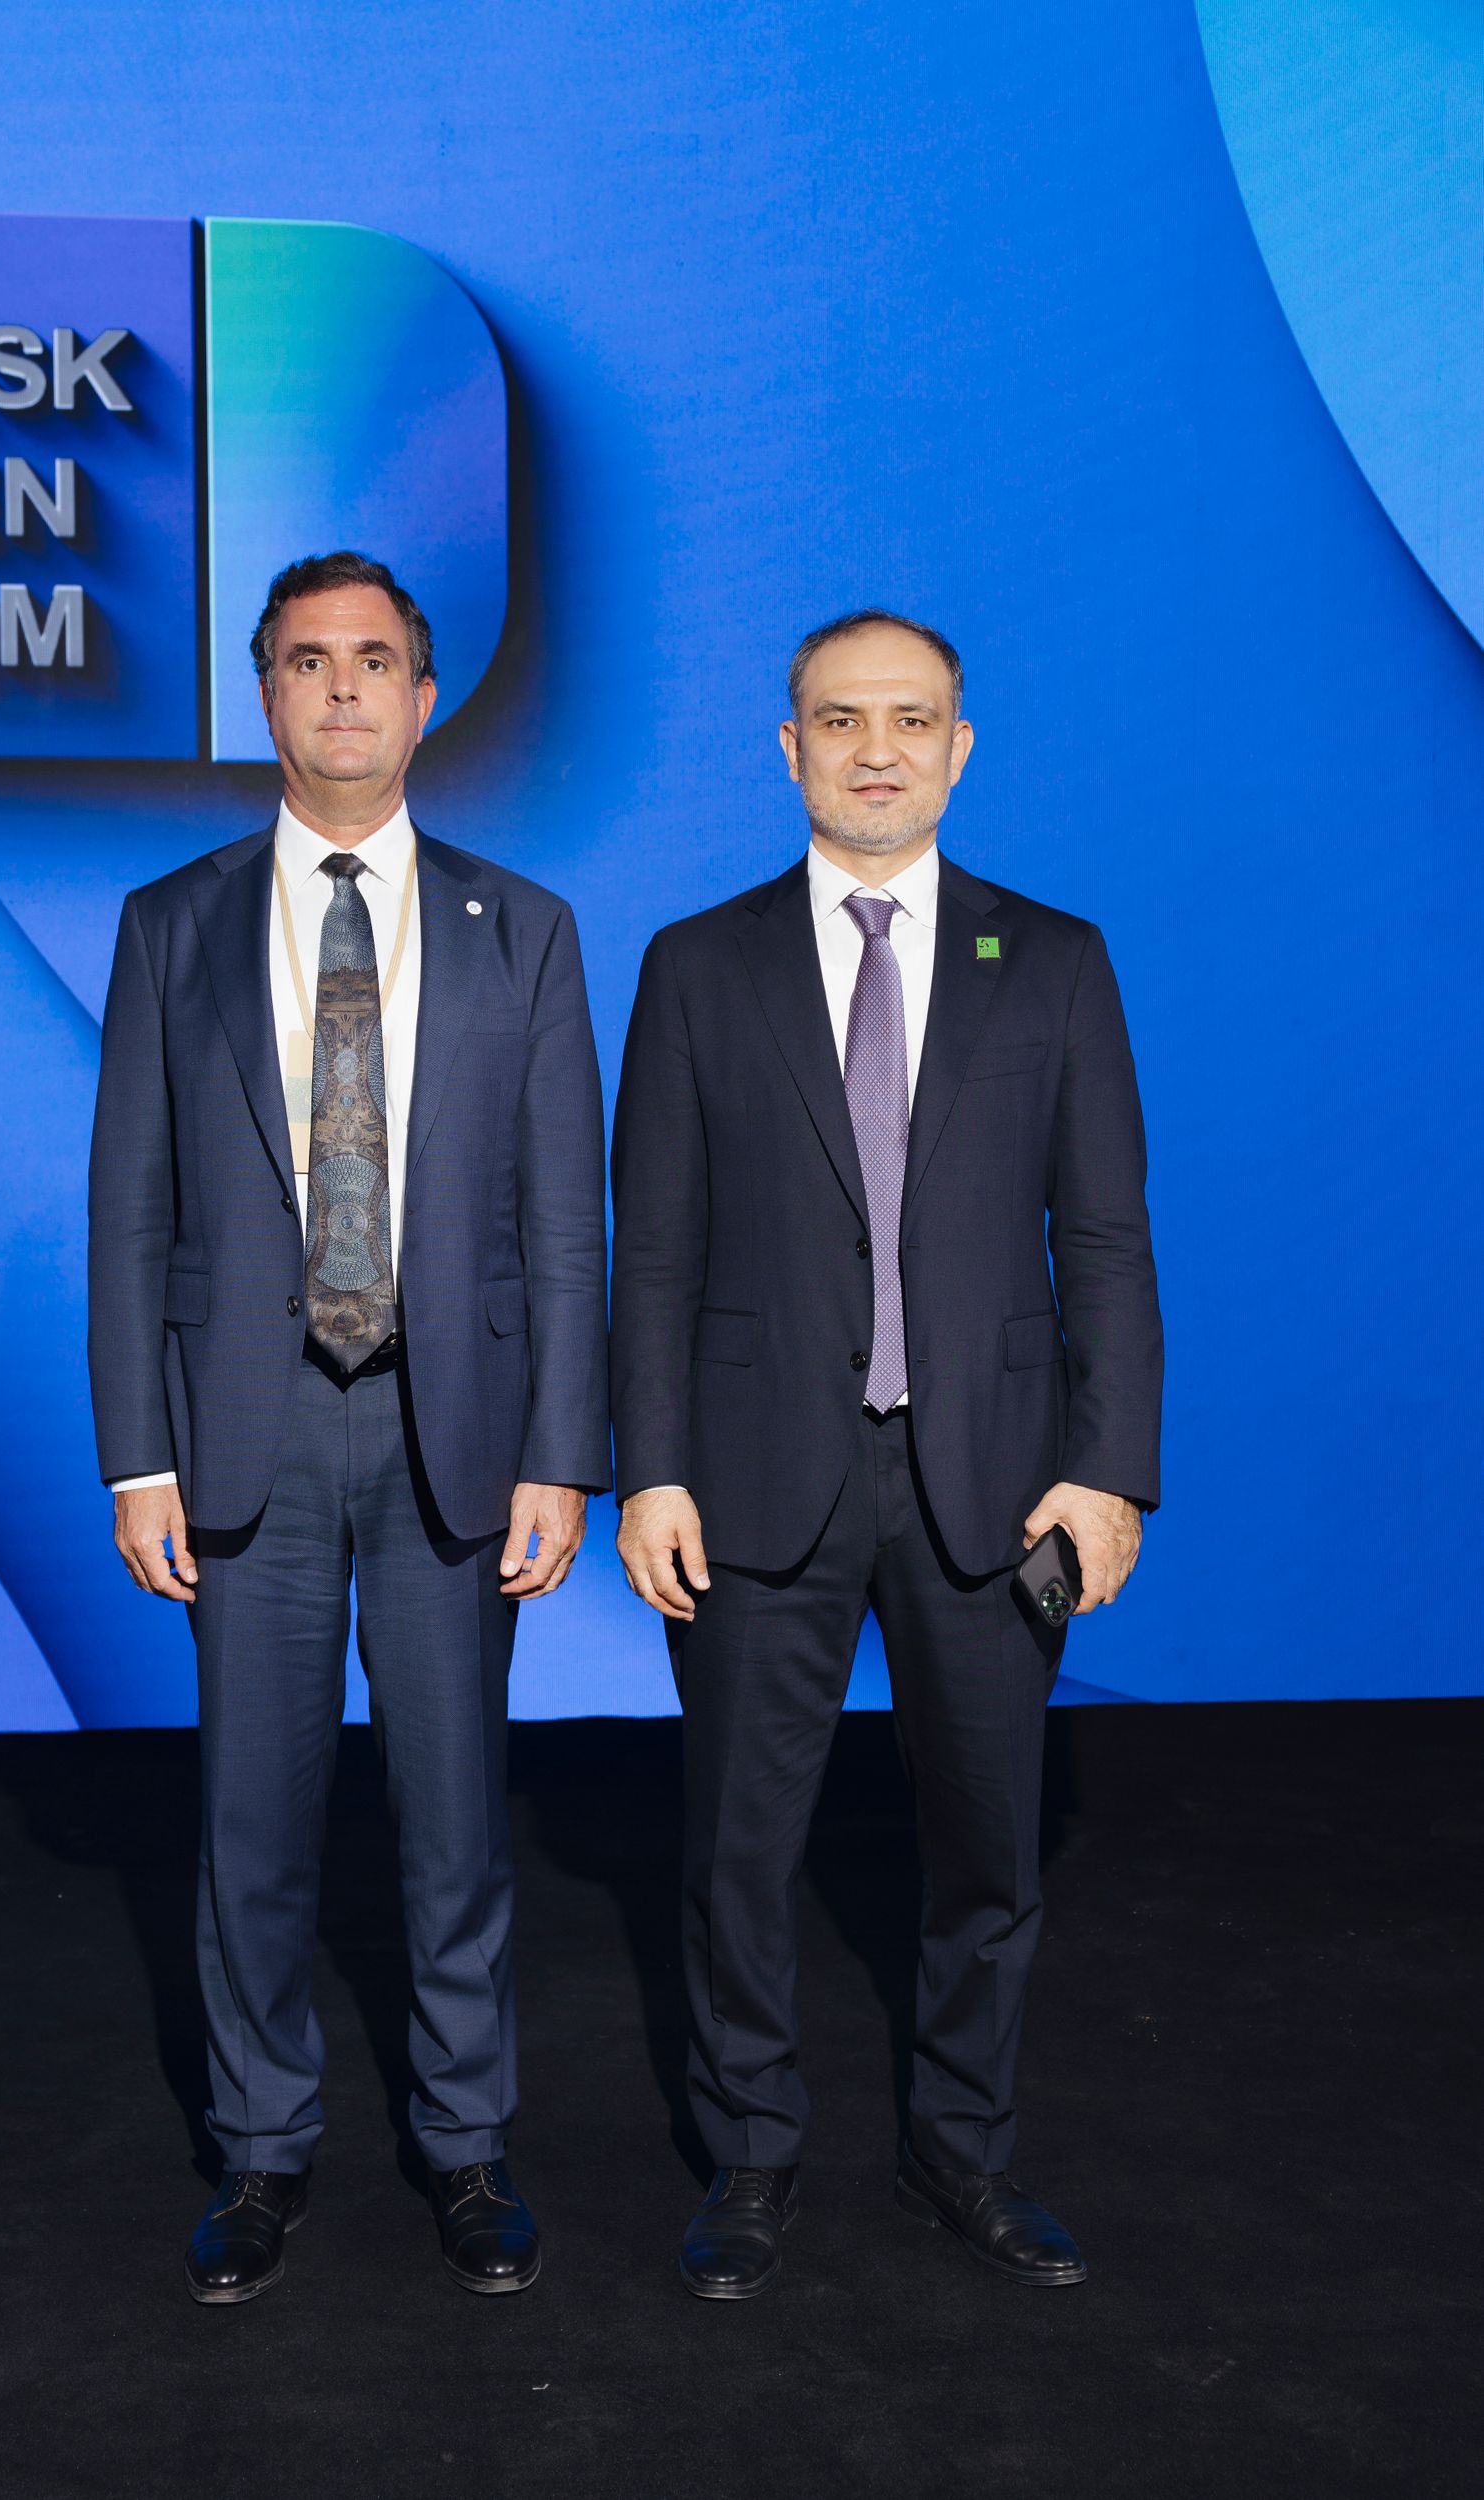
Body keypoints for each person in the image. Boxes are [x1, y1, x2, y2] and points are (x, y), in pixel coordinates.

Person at [610, 611, 1162, 2299]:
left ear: (960, 747)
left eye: (910, 720)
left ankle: (964, 2150)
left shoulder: (1052, 959)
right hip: (751, 1475)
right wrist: (650, 1468)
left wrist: (1110, 1470)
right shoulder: (697, 964)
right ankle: (750, 2153)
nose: (876, 750)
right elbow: (655, 1250)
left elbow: (1107, 1242)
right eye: (840, 720)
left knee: (989, 1847)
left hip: (997, 1484)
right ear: (788, 747)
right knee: (738, 1848)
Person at [88, 551, 609, 2304]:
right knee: (254, 1822)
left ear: (424, 695)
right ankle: (260, 2148)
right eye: (307, 661)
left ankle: (466, 2145)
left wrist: (562, 1452)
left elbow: (562, 1218)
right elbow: (129, 1210)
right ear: (264, 694)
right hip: (244, 1434)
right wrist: (137, 1454)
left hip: (453, 1430)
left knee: (456, 1819)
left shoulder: (522, 926)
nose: (341, 690)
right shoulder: (171, 924)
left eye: (374, 660)